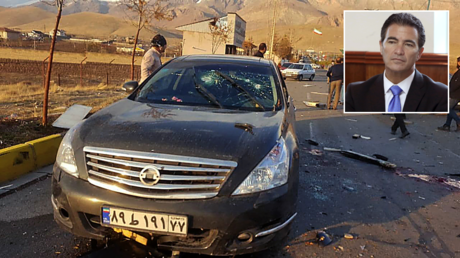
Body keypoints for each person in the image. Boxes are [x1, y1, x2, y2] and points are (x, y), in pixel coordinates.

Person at [345, 13, 448, 112]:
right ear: (381, 47)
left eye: (408, 44)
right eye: (392, 42)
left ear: (419, 53)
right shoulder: (356, 93)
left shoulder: (441, 95)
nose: (399, 51)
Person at [438, 56, 460, 131]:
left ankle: (458, 121)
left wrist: (449, 90)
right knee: (451, 109)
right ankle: (447, 125)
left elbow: (456, 84)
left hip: (455, 95)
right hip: (455, 94)